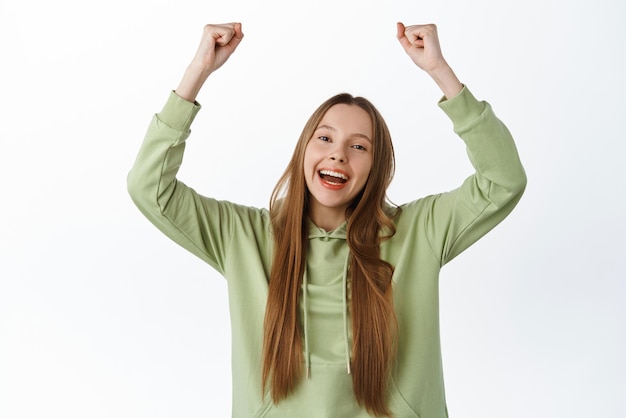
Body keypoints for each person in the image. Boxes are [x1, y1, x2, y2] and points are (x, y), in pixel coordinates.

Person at [127, 21, 526, 418]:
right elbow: (150, 188)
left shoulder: (420, 231)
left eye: (358, 146)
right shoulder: (243, 236)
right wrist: (196, 73)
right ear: (304, 150)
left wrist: (441, 72)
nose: (338, 155)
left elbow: (503, 180)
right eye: (325, 138)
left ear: (376, 166)